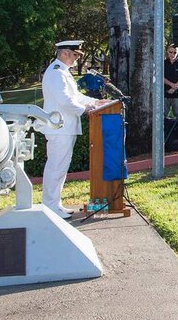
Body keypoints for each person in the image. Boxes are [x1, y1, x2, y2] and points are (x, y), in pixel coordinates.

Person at [41, 40, 109, 219]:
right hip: (60, 127)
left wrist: (94, 102)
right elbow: (65, 100)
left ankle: (54, 203)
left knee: (61, 167)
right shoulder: (57, 73)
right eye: (75, 55)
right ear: (64, 53)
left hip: (65, 126)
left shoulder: (63, 72)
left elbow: (75, 96)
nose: (78, 59)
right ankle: (49, 206)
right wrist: (85, 110)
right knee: (56, 167)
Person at [164, 44, 178, 119]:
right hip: (165, 93)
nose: (172, 54)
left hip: (177, 93)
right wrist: (171, 85)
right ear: (167, 52)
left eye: (174, 52)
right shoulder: (163, 63)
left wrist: (174, 87)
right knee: (163, 114)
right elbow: (161, 77)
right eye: (171, 52)